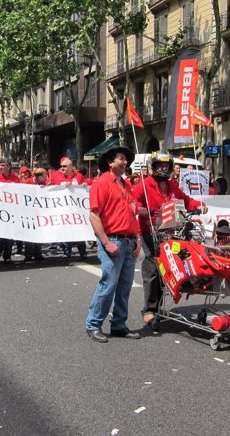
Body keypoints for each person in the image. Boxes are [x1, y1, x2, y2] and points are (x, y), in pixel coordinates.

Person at [133, 151, 206, 327]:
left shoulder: (172, 185)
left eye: (166, 166)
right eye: (160, 166)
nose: (163, 169)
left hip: (171, 232)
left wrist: (200, 205)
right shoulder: (144, 185)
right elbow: (133, 204)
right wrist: (147, 212)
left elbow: (186, 201)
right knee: (152, 270)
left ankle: (160, 305)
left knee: (172, 267)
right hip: (150, 232)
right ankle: (149, 309)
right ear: (154, 167)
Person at [85, 146, 142, 343]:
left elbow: (132, 213)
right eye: (121, 159)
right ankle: (93, 324)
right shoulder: (101, 183)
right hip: (113, 240)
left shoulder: (126, 186)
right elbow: (94, 215)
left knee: (125, 286)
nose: (125, 162)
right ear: (111, 162)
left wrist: (138, 238)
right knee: (108, 284)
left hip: (128, 241)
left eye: (126, 159)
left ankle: (118, 324)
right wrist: (106, 242)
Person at [50, 157, 87, 260]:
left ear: (71, 167)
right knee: (67, 233)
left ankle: (83, 253)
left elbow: (84, 188)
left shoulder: (79, 176)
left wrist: (84, 185)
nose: (62, 168)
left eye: (64, 166)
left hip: (77, 210)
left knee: (80, 233)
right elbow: (52, 188)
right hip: (64, 210)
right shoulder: (57, 176)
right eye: (61, 166)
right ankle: (67, 253)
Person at [0, 158, 20, 264]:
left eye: (3, 165)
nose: (0, 167)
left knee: (9, 237)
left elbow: (23, 190)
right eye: (0, 165)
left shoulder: (15, 178)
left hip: (11, 212)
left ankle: (7, 256)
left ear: (9, 166)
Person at [23, 167, 48, 262]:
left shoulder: (45, 184)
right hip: (28, 212)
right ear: (39, 176)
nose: (46, 177)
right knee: (29, 234)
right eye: (45, 175)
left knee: (38, 233)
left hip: (40, 213)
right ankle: (28, 255)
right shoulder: (27, 182)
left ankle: (38, 254)